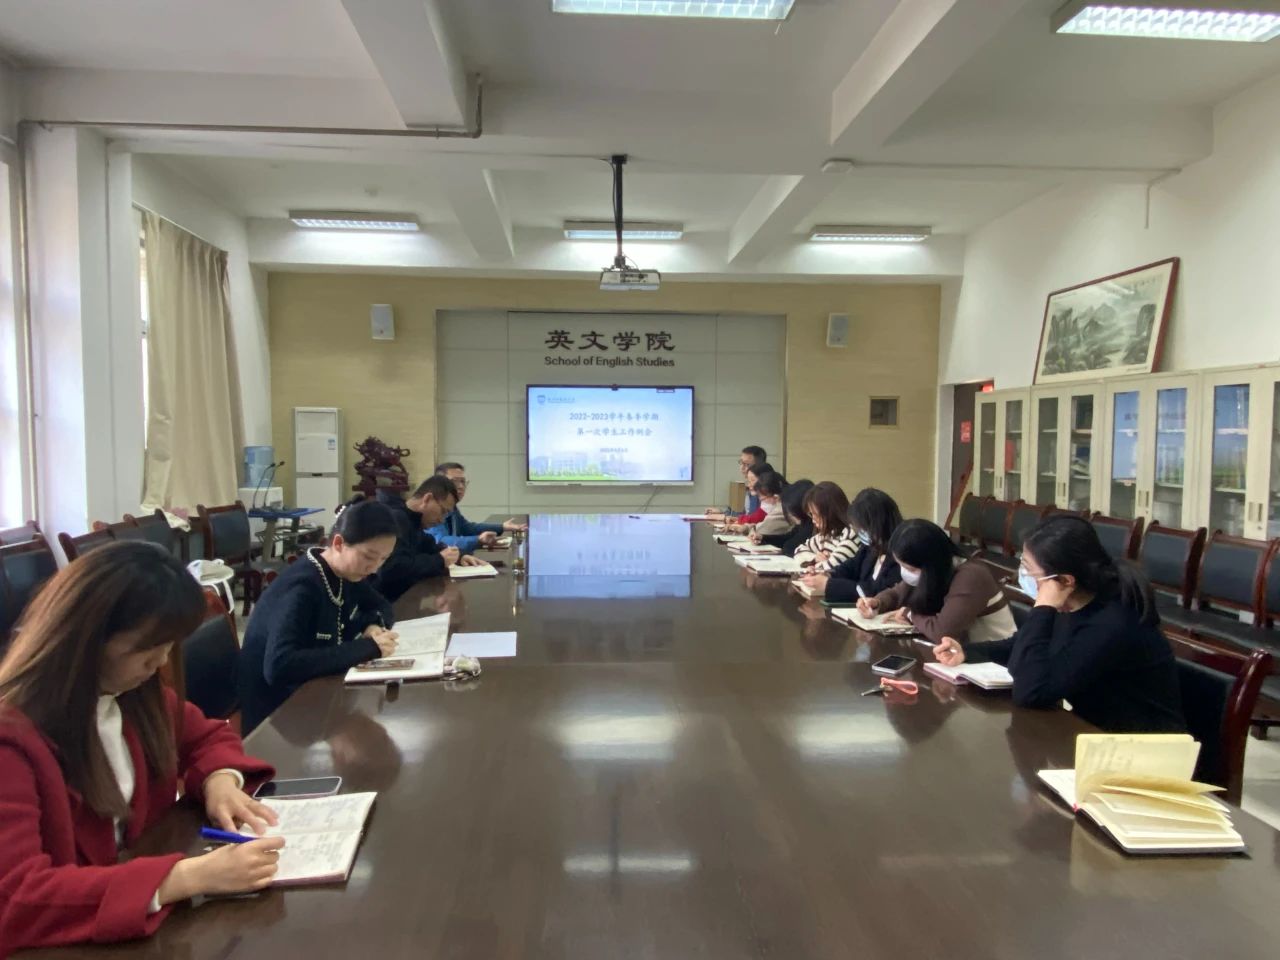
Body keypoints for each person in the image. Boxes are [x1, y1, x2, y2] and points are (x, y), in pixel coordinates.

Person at [0, 542, 284, 952]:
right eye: (146, 649)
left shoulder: (132, 694)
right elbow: (17, 896)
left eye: (169, 646)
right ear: (85, 639)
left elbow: (207, 735)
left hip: (126, 921)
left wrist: (221, 780)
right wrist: (188, 877)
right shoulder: (13, 736)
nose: (160, 663)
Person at [933, 515, 1185, 733]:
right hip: (1095, 733)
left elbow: (1031, 691)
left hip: (1141, 751)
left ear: (1064, 581)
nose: (1023, 576)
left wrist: (1043, 607)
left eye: (1030, 571)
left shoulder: (1113, 622)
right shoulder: (1075, 603)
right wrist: (967, 652)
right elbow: (1020, 646)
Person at [238, 498, 402, 734]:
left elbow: (382, 606)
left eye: (383, 559)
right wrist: (369, 648)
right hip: (276, 716)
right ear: (339, 543)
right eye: (369, 556)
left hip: (315, 693)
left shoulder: (346, 572)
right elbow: (280, 666)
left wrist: (373, 625)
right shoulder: (301, 588)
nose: (375, 568)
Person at [857, 519, 1014, 645]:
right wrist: (877, 603)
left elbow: (943, 632)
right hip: (957, 657)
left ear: (929, 564)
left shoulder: (971, 576)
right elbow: (898, 593)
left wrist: (910, 614)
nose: (904, 572)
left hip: (992, 662)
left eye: (909, 568)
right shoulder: (936, 571)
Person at [376, 474, 481, 601]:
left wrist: (459, 556)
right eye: (443, 511)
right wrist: (440, 560)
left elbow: (431, 546)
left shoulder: (413, 521)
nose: (442, 520)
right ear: (427, 499)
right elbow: (391, 568)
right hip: (390, 603)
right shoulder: (396, 519)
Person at [802, 487, 902, 601]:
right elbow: (850, 567)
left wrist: (829, 584)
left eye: (863, 528)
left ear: (877, 524)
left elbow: (877, 591)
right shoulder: (870, 548)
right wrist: (826, 574)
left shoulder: (900, 553)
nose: (860, 533)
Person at [427, 462, 527, 555]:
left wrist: (502, 527)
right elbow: (441, 541)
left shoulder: (451, 506)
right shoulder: (432, 507)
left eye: (462, 481)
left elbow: (466, 528)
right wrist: (478, 540)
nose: (461, 486)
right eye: (454, 481)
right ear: (439, 484)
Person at [793, 481, 860, 572]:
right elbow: (798, 551)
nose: (813, 520)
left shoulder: (850, 534)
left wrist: (813, 567)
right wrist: (814, 558)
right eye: (811, 514)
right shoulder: (828, 533)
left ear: (831, 512)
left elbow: (831, 568)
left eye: (816, 515)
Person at [705, 445, 767, 519]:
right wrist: (722, 513)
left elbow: (754, 518)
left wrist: (724, 517)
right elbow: (737, 515)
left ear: (759, 466)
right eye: (741, 462)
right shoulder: (743, 487)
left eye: (747, 464)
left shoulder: (765, 489)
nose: (742, 467)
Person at [759, 479, 814, 555]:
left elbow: (790, 547)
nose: (790, 514)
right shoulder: (803, 523)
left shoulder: (812, 525)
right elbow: (787, 538)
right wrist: (763, 538)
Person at [723, 463, 776, 532]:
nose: (749, 485)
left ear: (765, 479)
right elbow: (756, 516)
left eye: (753, 480)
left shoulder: (773, 497)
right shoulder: (764, 496)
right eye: (748, 481)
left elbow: (758, 518)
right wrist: (738, 520)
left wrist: (740, 521)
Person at [743, 471, 792, 539]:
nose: (749, 485)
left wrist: (746, 528)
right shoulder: (786, 500)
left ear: (775, 497)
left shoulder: (784, 508)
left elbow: (763, 529)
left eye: (753, 480)